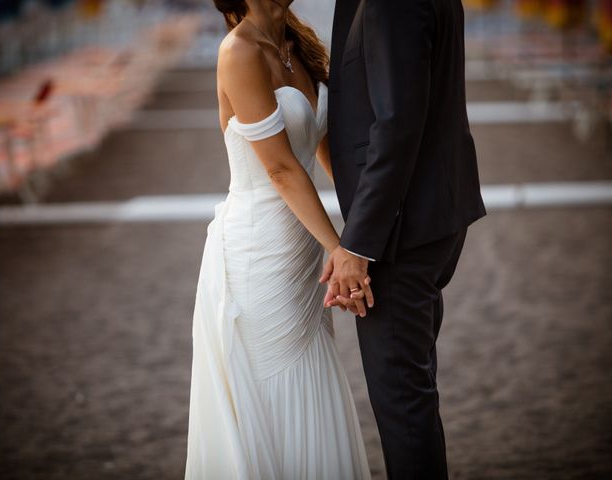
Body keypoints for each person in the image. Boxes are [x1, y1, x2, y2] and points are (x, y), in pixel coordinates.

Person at [184, 1, 371, 478]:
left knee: (309, 378)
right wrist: (338, 248)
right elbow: (281, 168)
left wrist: (356, 239)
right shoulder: (239, 51)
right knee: (271, 389)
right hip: (256, 254)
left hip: (303, 250)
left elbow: (325, 148)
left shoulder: (298, 45)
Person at [324, 0, 487, 479]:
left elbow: (395, 123)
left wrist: (358, 246)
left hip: (399, 235)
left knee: (402, 407)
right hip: (432, 218)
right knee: (413, 392)